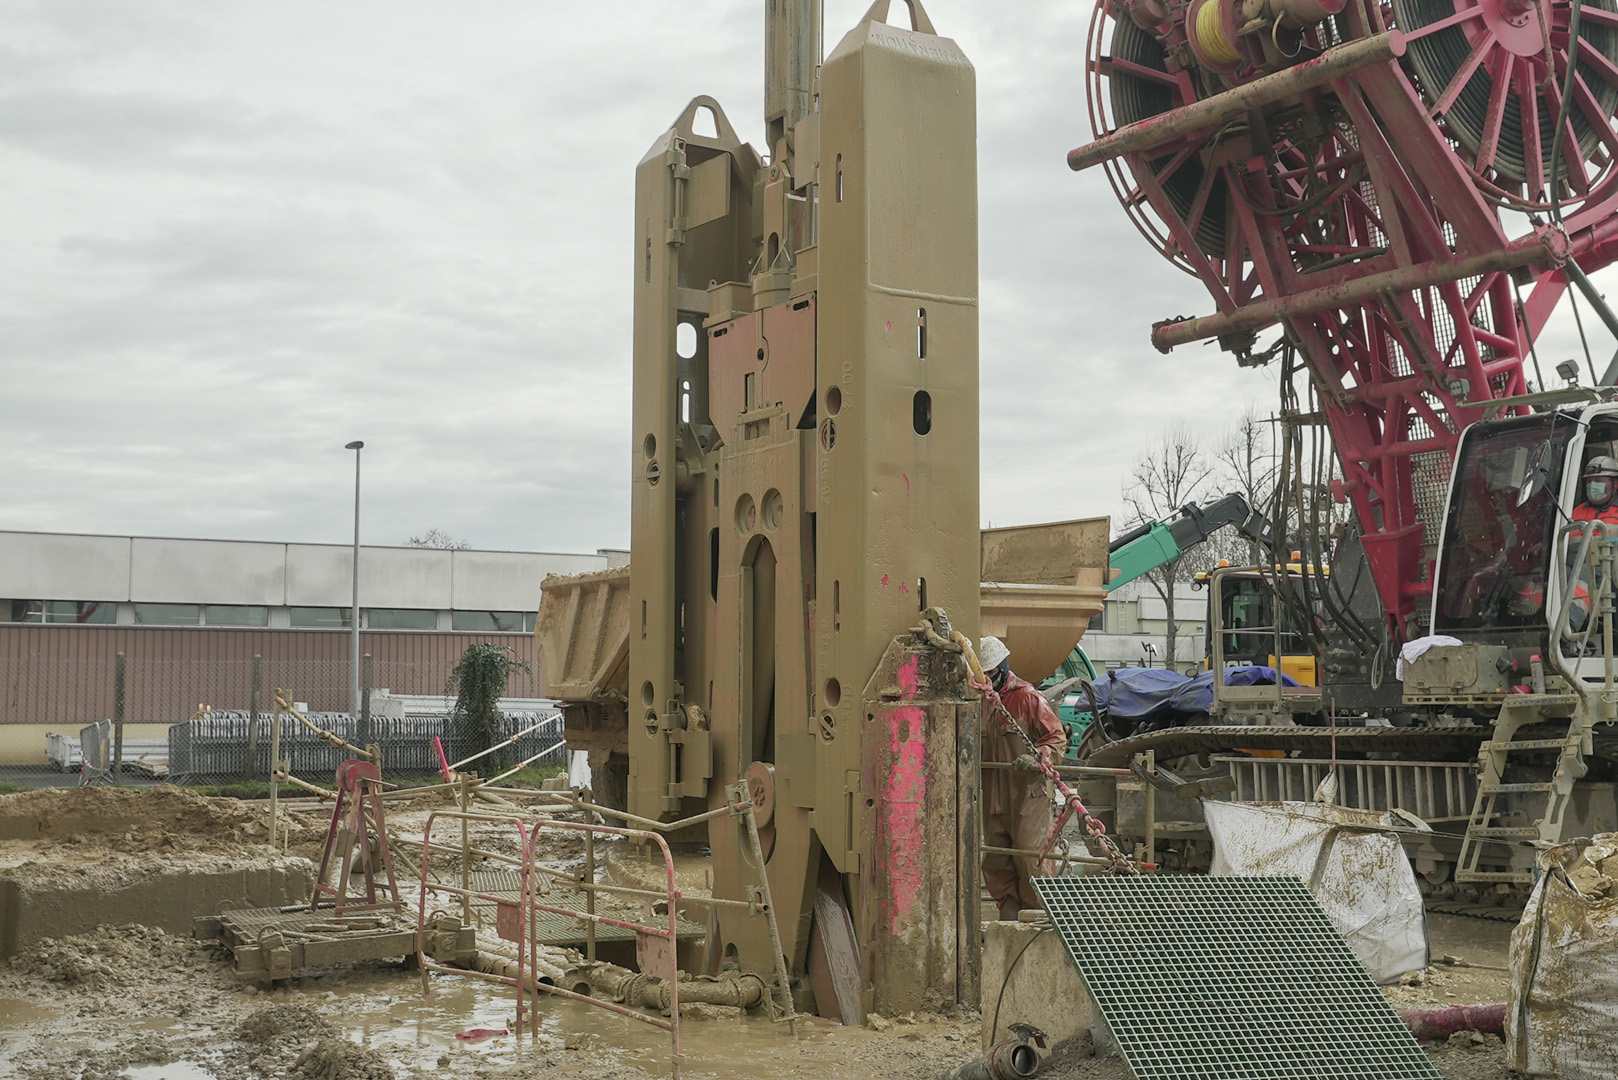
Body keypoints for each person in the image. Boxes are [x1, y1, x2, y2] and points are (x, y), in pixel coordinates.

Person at [978, 635, 1068, 921]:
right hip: (994, 792)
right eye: (983, 675)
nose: (988, 681)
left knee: (1032, 858)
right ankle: (1009, 921)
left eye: (991, 674)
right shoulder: (979, 700)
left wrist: (1038, 756)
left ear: (1002, 668)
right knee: (996, 859)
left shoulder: (1027, 697)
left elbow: (1056, 737)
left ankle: (1039, 922)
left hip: (1028, 793)